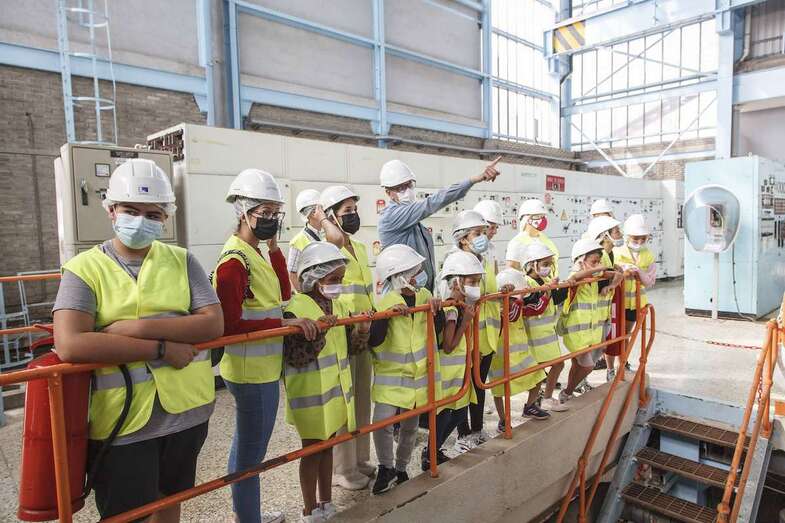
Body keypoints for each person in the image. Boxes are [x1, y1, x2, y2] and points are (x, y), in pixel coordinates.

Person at [53, 159, 224, 521]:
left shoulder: (182, 260)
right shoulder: (84, 269)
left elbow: (212, 323)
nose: (141, 220)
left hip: (187, 413)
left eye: (152, 213)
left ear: (165, 217)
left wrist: (134, 329)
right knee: (127, 515)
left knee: (169, 500)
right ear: (111, 210)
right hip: (123, 422)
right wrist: (160, 348)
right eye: (131, 210)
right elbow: (71, 343)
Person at [214, 168, 316, 523]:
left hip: (262, 367)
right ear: (242, 212)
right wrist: (284, 323)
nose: (272, 220)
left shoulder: (253, 252)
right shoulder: (233, 262)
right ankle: (249, 519)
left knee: (247, 449)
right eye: (265, 213)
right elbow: (228, 325)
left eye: (276, 213)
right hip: (249, 371)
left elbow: (284, 293)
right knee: (249, 455)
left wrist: (274, 249)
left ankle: (248, 514)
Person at [283, 242, 371, 522]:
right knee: (311, 452)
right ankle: (309, 510)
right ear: (313, 276)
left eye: (340, 280)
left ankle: (326, 502)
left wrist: (362, 331)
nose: (338, 286)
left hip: (335, 394)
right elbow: (297, 356)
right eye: (333, 280)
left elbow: (351, 348)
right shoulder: (295, 308)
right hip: (309, 396)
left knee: (328, 447)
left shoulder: (339, 304)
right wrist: (319, 330)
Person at [368, 244, 441, 495]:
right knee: (382, 424)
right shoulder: (386, 301)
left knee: (411, 428)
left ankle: (400, 468)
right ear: (398, 275)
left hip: (418, 377)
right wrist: (386, 316)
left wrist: (437, 307)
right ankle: (385, 466)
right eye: (414, 271)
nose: (420, 275)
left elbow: (437, 330)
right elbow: (374, 340)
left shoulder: (424, 296)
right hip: (391, 378)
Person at [319, 185, 376, 490]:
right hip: (342, 331)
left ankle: (361, 460)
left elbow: (366, 292)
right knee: (345, 401)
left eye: (355, 210)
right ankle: (342, 468)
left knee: (362, 400)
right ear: (330, 217)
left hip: (364, 330)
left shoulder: (361, 249)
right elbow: (331, 292)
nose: (354, 216)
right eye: (346, 212)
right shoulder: (328, 250)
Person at [377, 157, 502, 291]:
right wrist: (475, 179)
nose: (407, 191)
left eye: (409, 185)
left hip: (420, 294)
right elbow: (433, 202)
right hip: (401, 297)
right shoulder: (390, 217)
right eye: (400, 188)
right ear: (388, 192)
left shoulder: (416, 225)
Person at [422, 250, 481, 470]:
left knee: (457, 414)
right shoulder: (451, 308)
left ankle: (433, 451)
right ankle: (430, 454)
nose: (476, 285)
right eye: (471, 281)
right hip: (447, 372)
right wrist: (465, 321)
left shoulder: (461, 304)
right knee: (446, 415)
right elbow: (448, 345)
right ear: (456, 283)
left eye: (477, 281)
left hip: (458, 370)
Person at [448, 211, 501, 453]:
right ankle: (463, 433)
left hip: (486, 333)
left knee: (479, 384)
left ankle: (477, 430)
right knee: (464, 386)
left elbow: (488, 291)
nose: (483, 236)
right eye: (478, 233)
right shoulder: (455, 263)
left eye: (483, 232)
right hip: (465, 334)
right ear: (463, 239)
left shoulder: (484, 259)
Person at [557, 238, 616, 406]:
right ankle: (567, 391)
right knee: (588, 366)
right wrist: (600, 269)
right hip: (576, 333)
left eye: (599, 261)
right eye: (594, 262)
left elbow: (618, 275)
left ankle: (567, 393)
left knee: (577, 365)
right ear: (581, 261)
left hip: (589, 333)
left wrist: (610, 284)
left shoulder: (595, 279)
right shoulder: (575, 277)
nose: (597, 265)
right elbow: (575, 277)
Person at [489, 268, 549, 427]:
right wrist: (520, 297)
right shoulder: (498, 310)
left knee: (538, 376)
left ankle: (530, 406)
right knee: (500, 391)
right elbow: (513, 316)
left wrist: (546, 293)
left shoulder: (517, 305)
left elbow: (536, 309)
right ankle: (503, 420)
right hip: (501, 359)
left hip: (521, 356)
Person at [517, 243, 569, 413]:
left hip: (547, 335)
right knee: (542, 372)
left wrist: (564, 286)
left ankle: (540, 400)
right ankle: (539, 401)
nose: (548, 268)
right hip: (535, 337)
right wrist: (547, 292)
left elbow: (555, 299)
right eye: (545, 264)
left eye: (549, 264)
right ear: (532, 264)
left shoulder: (545, 280)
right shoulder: (526, 282)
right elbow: (533, 305)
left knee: (552, 368)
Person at [582, 216, 626, 381]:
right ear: (605, 235)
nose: (620, 233)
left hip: (602, 311)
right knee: (588, 351)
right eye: (616, 231)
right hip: (594, 312)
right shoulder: (600, 256)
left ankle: (580, 382)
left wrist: (615, 274)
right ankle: (578, 383)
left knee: (598, 348)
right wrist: (615, 278)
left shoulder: (609, 255)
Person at [614, 214, 657, 370]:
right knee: (615, 334)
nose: (639, 242)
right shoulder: (617, 252)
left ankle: (623, 363)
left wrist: (638, 271)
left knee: (627, 334)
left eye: (643, 239)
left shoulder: (648, 255)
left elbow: (650, 282)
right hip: (618, 302)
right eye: (635, 238)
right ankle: (611, 368)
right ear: (627, 237)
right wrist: (623, 270)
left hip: (636, 303)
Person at [287, 189, 343, 291]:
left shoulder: (326, 235)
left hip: (326, 291)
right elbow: (292, 273)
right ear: (313, 213)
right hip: (311, 294)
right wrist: (305, 296)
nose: (326, 213)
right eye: (323, 210)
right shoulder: (298, 241)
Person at [506, 198, 560, 277]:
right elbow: (511, 270)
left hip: (551, 285)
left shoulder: (544, 238)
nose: (542, 219)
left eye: (543, 216)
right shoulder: (517, 242)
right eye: (537, 216)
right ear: (526, 218)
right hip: (531, 286)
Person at [473, 199, 505, 272]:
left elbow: (495, 275)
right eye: (492, 227)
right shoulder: (462, 250)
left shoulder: (491, 248)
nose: (495, 232)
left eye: (496, 227)